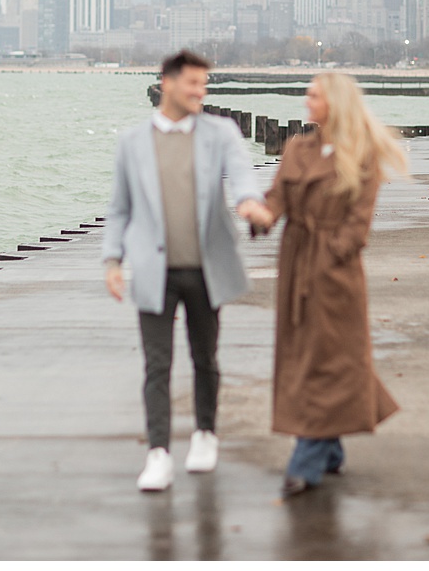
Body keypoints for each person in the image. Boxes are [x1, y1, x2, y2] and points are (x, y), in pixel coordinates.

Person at [103, 49, 268, 492]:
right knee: (157, 364)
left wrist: (250, 203)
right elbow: (120, 208)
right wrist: (112, 260)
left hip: (204, 268)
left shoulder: (221, 133)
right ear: (168, 82)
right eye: (193, 83)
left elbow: (243, 176)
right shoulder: (132, 142)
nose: (201, 92)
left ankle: (205, 435)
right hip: (154, 270)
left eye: (204, 85)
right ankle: (158, 453)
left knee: (204, 358)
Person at [241, 72, 407, 496]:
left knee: (327, 357)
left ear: (334, 102)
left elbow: (358, 227)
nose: (305, 101)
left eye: (313, 95)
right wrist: (261, 215)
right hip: (296, 265)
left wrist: (331, 255)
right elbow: (277, 199)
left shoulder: (361, 155)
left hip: (334, 274)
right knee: (306, 355)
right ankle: (329, 447)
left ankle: (307, 460)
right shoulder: (297, 147)